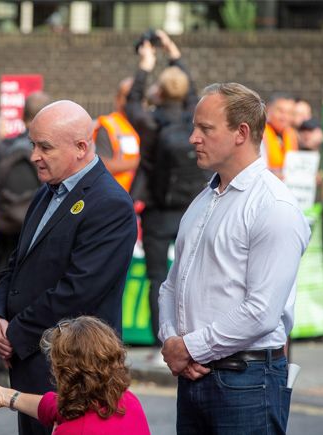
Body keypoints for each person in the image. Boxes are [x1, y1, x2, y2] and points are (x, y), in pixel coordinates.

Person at [159, 83, 310, 434]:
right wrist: (172, 343)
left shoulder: (274, 206)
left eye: (205, 129)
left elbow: (261, 311)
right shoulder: (205, 198)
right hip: (199, 376)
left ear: (241, 133)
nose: (193, 138)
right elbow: (172, 284)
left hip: (247, 381)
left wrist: (190, 348)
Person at [0, 100, 138, 435]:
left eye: (45, 147)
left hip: (71, 368)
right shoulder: (48, 192)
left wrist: (15, 333)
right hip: (31, 357)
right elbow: (18, 262)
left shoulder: (110, 203)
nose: (33, 156)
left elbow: (78, 290)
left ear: (82, 147)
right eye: (33, 144)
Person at [125, 30, 206, 362]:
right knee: (197, 275)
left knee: (158, 279)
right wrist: (174, 53)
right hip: (193, 207)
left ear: (159, 92)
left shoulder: (151, 123)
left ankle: (164, 349)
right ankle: (198, 341)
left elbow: (131, 103)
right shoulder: (195, 119)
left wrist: (145, 65)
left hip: (157, 211)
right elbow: (191, 91)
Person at [0, 316, 150, 434]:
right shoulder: (128, 401)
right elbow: (53, 405)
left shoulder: (74, 430)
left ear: (66, 371)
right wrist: (6, 396)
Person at [0, 91, 51, 383]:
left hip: (6, 232)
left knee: (3, 294)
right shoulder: (48, 149)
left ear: (22, 114)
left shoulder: (2, 146)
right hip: (38, 233)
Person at [93, 77, 141, 193]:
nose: (132, 102)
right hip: (114, 196)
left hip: (137, 200)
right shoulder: (109, 126)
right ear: (118, 99)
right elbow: (102, 167)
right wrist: (137, 163)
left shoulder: (144, 124)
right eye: (127, 97)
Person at [262, 93, 299, 179]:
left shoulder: (292, 134)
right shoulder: (259, 132)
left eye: (290, 113)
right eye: (280, 111)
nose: (285, 117)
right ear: (268, 109)